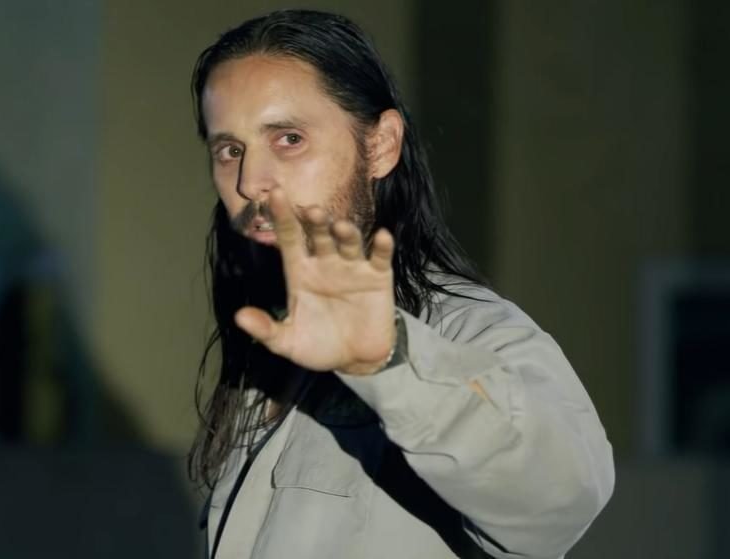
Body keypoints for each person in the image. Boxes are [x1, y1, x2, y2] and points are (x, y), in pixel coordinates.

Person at [187, 10, 614, 558]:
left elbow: (561, 502)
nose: (250, 182)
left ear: (382, 145)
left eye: (289, 139)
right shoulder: (271, 354)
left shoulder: (470, 331)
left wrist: (389, 362)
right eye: (230, 150)